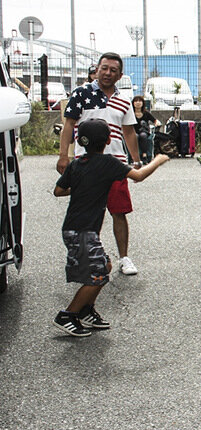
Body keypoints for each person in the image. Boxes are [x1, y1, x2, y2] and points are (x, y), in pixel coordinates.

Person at [53, 118, 168, 337]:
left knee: (105, 266)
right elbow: (138, 176)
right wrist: (158, 160)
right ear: (108, 140)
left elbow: (58, 191)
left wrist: (83, 187)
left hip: (73, 229)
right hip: (83, 231)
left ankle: (86, 310)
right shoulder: (108, 163)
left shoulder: (76, 164)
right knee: (98, 275)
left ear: (80, 141)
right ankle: (68, 315)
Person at [57, 52, 143, 276]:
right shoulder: (81, 93)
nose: (107, 73)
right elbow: (68, 125)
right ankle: (87, 254)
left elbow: (129, 132)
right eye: (104, 68)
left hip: (116, 165)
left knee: (119, 211)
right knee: (87, 212)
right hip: (85, 164)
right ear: (97, 69)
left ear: (120, 75)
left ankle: (124, 257)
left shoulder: (124, 99)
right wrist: (63, 156)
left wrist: (136, 160)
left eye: (113, 70)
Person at [131, 95, 160, 163]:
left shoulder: (146, 113)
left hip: (144, 131)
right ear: (133, 103)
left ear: (143, 103)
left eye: (140, 101)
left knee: (143, 135)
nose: (138, 102)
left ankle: (144, 155)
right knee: (136, 136)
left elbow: (155, 120)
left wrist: (157, 123)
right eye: (136, 101)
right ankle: (134, 156)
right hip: (133, 132)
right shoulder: (130, 114)